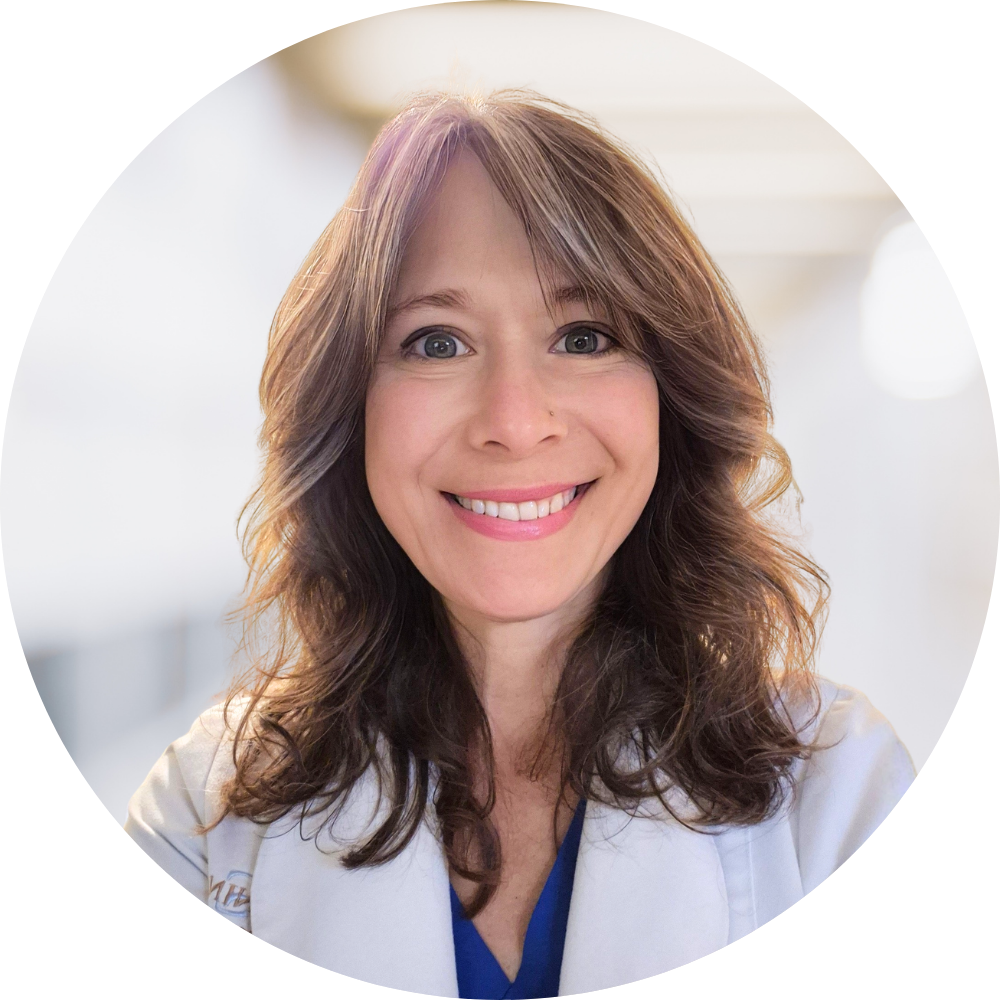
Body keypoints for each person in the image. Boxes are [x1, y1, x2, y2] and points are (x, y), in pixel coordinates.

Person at [124, 91, 915, 999]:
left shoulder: (850, 797)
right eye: (436, 342)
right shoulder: (203, 815)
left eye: (583, 337)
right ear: (349, 411)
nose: (513, 420)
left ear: (673, 398)